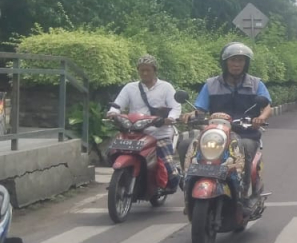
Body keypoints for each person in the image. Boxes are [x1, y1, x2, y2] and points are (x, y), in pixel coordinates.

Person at [192, 43, 273, 196]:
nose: (237, 64)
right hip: (216, 134)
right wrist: (191, 115)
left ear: (246, 63)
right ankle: (189, 187)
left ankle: (243, 193)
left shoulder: (256, 83)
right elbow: (200, 108)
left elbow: (267, 107)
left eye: (241, 60)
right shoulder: (211, 84)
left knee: (246, 148)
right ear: (225, 62)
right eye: (233, 60)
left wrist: (261, 118)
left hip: (246, 133)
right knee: (186, 146)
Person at [108, 54, 182, 191]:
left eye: (148, 70)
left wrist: (170, 118)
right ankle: (120, 180)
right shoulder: (130, 88)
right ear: (138, 71)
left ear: (155, 70)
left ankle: (177, 180)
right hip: (134, 133)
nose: (145, 73)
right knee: (112, 151)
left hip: (159, 133)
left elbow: (176, 107)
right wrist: (113, 113)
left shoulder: (166, 87)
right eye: (142, 70)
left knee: (170, 169)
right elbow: (117, 105)